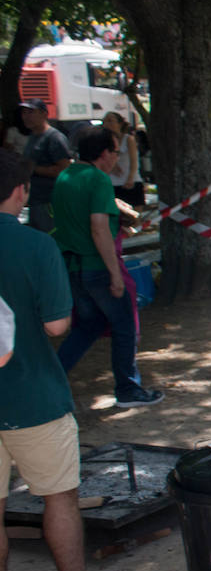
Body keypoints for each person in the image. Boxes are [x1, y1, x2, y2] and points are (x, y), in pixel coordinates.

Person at [0, 150, 136, 571]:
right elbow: (59, 325)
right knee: (59, 497)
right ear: (19, 191)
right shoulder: (36, 246)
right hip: (34, 395)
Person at [51, 126, 163, 408]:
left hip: (73, 265)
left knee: (89, 325)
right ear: (103, 154)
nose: (116, 156)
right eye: (115, 151)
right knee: (124, 324)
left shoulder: (65, 176)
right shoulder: (98, 180)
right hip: (96, 266)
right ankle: (128, 389)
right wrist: (115, 274)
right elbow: (99, 228)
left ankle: (51, 377)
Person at [18, 99, 71, 233]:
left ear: (44, 114)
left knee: (50, 239)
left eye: (31, 112)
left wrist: (33, 169)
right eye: (24, 113)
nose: (26, 116)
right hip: (35, 201)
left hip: (49, 202)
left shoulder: (54, 138)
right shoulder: (33, 136)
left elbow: (64, 170)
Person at [102, 112, 144, 207]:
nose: (107, 124)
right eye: (104, 121)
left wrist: (130, 178)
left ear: (120, 124)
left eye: (110, 121)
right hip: (112, 183)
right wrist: (112, 166)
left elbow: (134, 161)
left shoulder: (129, 139)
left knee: (134, 218)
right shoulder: (102, 141)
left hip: (130, 181)